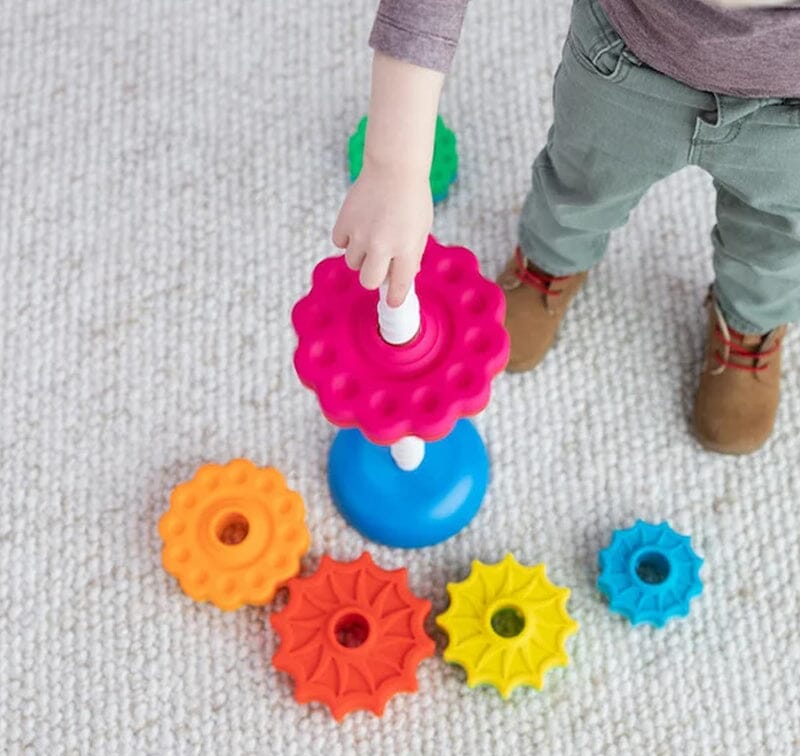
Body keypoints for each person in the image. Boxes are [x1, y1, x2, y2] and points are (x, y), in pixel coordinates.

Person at [332, 0, 800, 455]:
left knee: (775, 240)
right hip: (629, 58)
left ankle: (749, 324)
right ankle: (550, 264)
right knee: (578, 188)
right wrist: (393, 164)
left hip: (789, 109)